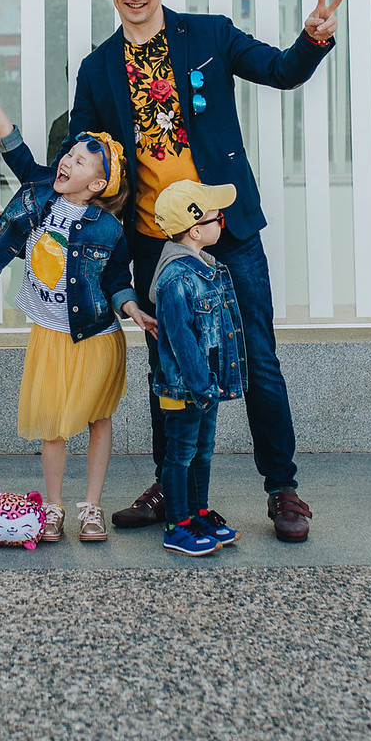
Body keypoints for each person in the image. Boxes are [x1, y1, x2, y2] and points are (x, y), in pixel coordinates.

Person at [0, 0, 344, 542]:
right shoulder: (98, 68)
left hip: (226, 230)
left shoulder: (208, 35)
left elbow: (281, 72)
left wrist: (313, 38)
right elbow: (76, 165)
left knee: (259, 358)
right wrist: (20, 216)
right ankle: (169, 485)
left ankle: (282, 489)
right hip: (153, 243)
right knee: (167, 369)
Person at [0, 51, 154, 543]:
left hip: (94, 335)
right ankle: (53, 507)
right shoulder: (42, 191)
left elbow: (116, 279)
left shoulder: (108, 227)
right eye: (68, 155)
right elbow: (13, 145)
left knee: (96, 417)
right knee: (53, 425)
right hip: (49, 334)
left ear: (100, 182)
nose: (67, 160)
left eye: (81, 160)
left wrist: (132, 309)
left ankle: (91, 505)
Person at [148, 180, 248, 557]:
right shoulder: (177, 278)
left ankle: (198, 512)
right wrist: (202, 385)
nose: (222, 223)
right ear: (195, 229)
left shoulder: (207, 268)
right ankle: (178, 525)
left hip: (205, 387)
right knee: (181, 453)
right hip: (186, 388)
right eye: (217, 217)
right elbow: (180, 340)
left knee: (203, 451)